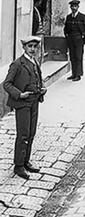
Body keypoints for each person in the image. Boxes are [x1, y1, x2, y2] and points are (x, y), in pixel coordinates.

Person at [3, 35, 47, 179]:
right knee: (23, 134)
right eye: (30, 46)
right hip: (23, 103)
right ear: (24, 47)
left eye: (35, 47)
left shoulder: (35, 62)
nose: (33, 49)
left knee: (31, 133)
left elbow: (38, 78)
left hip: (34, 101)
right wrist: (19, 94)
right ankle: (19, 166)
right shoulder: (17, 64)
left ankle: (26, 161)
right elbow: (7, 84)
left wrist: (42, 88)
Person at [64, 0, 85, 81]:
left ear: (78, 7)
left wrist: (83, 34)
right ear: (70, 8)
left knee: (78, 56)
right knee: (72, 57)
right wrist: (66, 35)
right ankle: (73, 73)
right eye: (72, 6)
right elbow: (66, 28)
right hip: (71, 39)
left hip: (79, 40)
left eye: (75, 6)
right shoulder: (69, 17)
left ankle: (78, 75)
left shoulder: (83, 17)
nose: (74, 8)